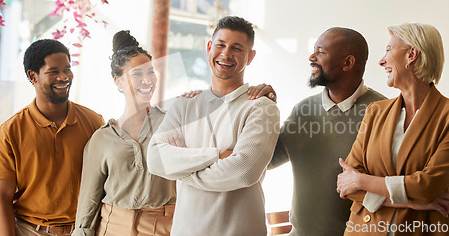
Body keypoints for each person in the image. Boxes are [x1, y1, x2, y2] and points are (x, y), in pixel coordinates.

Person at [147, 16, 280, 236]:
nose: (226, 54)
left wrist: (183, 172)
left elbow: (244, 172)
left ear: (251, 57)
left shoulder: (262, 108)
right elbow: (155, 159)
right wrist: (217, 155)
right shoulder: (184, 104)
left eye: (237, 48)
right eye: (220, 45)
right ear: (209, 47)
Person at [337, 23, 449, 236]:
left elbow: (426, 186)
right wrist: (415, 203)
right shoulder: (376, 111)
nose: (382, 60)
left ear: (412, 54)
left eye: (389, 50)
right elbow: (346, 186)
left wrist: (363, 181)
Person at [265, 27, 386, 236]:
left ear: (348, 63)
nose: (312, 57)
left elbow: (399, 181)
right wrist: (260, 109)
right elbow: (265, 160)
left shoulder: (384, 111)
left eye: (321, 51)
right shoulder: (303, 110)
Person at [0, 39, 104, 236]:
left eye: (67, 69)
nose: (64, 77)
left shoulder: (94, 123)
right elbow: (2, 197)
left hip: (83, 230)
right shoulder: (10, 131)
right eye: (54, 71)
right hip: (29, 231)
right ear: (33, 76)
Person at [72, 30, 177, 236]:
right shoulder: (102, 138)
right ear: (118, 81)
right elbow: (89, 200)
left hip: (163, 227)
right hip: (111, 227)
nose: (147, 80)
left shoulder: (173, 124)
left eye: (150, 72)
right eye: (137, 74)